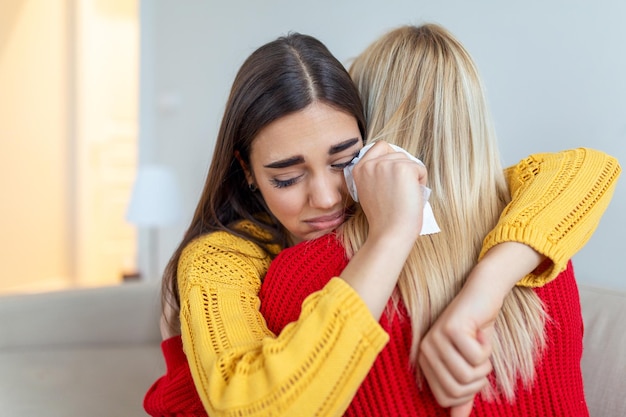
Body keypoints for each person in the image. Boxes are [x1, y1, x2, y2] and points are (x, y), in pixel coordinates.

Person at [143, 29, 621, 417]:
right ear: (246, 171)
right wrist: (392, 234)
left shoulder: (510, 213)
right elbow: (251, 406)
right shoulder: (223, 259)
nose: (327, 198)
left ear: (378, 149)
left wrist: (485, 290)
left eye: (343, 161)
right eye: (287, 178)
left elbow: (586, 169)